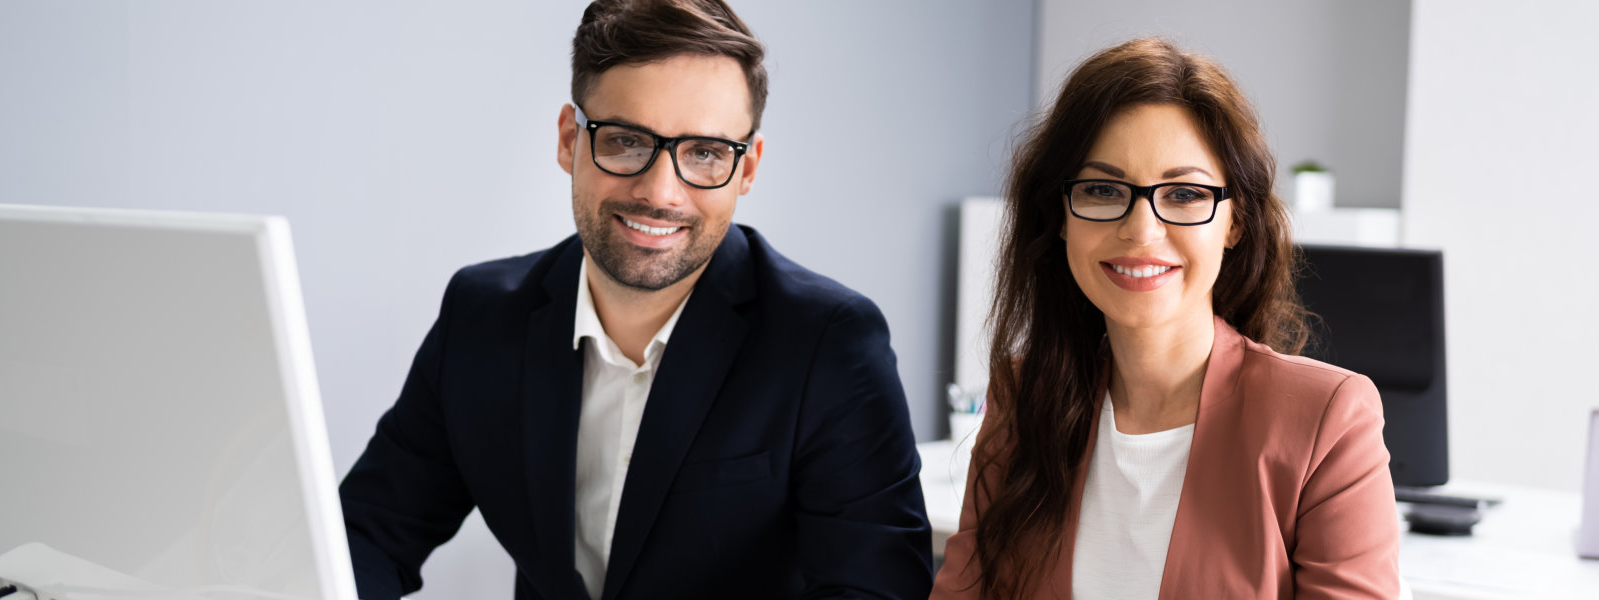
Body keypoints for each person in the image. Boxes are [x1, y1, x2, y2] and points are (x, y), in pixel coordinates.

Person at [336, 1, 932, 598]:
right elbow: (366, 535)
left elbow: (875, 591)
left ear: (746, 168)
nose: (659, 193)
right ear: (570, 140)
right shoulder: (481, 315)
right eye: (625, 141)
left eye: (704, 153)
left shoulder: (828, 343)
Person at [931, 38, 1400, 599]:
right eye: (1103, 189)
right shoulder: (1024, 397)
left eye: (1182, 193)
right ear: (1059, 217)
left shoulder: (1327, 419)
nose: (1141, 229)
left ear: (1235, 223)